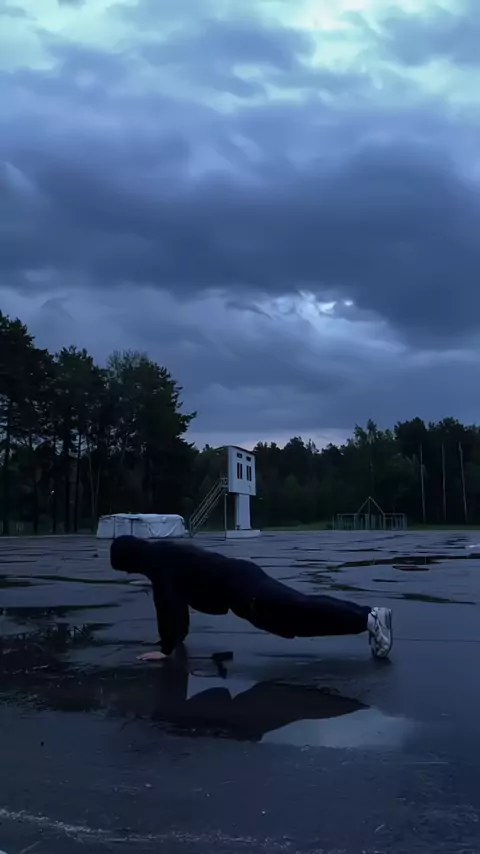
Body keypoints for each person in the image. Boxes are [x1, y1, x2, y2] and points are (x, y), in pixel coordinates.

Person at [110, 535, 392, 661]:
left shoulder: (158, 564)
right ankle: (367, 618)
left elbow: (167, 603)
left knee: (299, 611)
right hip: (243, 581)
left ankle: (369, 618)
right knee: (298, 612)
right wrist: (177, 639)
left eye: (125, 568)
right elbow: (176, 601)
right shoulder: (161, 554)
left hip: (244, 588)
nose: (129, 573)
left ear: (130, 560)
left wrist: (166, 649)